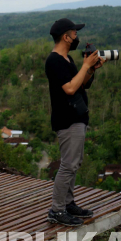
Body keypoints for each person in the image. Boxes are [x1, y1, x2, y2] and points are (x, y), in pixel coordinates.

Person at [45, 18, 104, 226]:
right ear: (65, 37)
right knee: (68, 165)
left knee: (74, 164)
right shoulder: (54, 61)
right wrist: (86, 65)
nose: (77, 37)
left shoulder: (68, 59)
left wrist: (91, 68)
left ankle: (68, 204)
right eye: (74, 33)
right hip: (67, 120)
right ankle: (57, 210)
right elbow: (69, 88)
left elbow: (81, 85)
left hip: (77, 116)